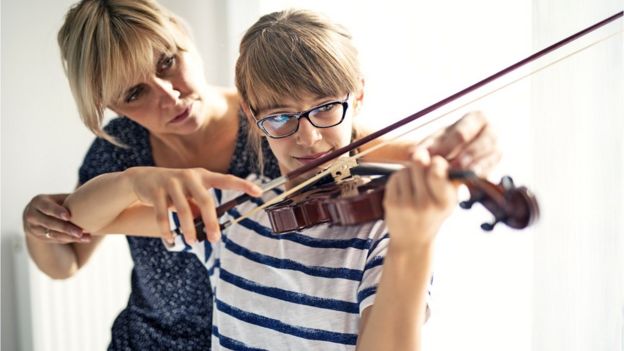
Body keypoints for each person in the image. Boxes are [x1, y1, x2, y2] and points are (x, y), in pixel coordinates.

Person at [21, 0, 499, 349]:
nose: (168, 96)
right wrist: (121, 186)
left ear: (182, 35)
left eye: (168, 62)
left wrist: (457, 156)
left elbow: (354, 138)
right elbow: (72, 238)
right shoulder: (207, 199)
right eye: (134, 94)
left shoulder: (286, 122)